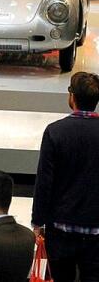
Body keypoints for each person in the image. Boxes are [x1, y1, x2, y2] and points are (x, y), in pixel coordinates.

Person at [32, 71, 99, 281]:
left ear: (72, 96)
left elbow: (44, 181)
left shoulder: (55, 131)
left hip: (61, 228)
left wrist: (37, 222)